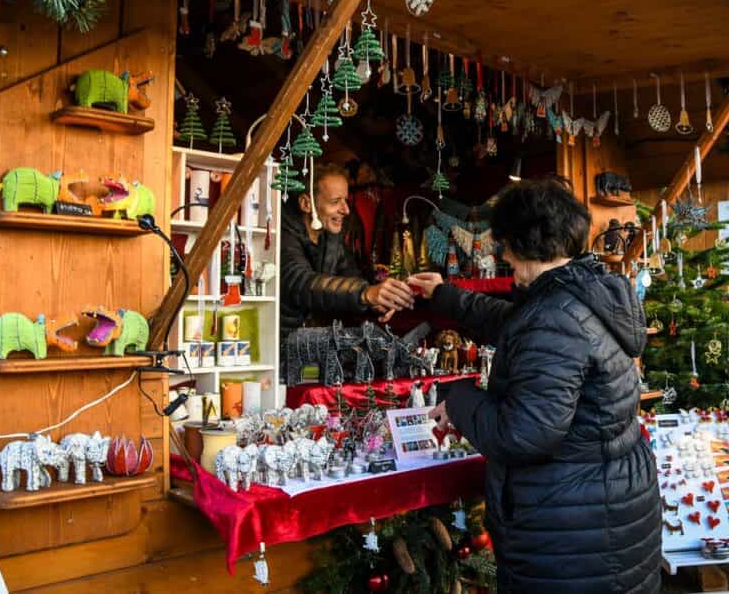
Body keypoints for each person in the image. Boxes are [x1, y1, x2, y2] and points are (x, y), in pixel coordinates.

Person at [409, 177, 660, 593]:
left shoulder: (553, 317)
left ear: (520, 243)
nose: (501, 254)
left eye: (503, 243)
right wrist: (445, 296)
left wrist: (458, 399)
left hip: (572, 533)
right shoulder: (578, 291)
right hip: (604, 512)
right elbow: (513, 323)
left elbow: (524, 433)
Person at [280, 162, 414, 342]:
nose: (346, 210)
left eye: (346, 200)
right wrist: (365, 293)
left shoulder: (331, 238)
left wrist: (375, 303)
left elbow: (350, 279)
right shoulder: (281, 234)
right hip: (276, 344)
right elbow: (301, 282)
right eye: (335, 202)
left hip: (308, 341)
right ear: (306, 204)